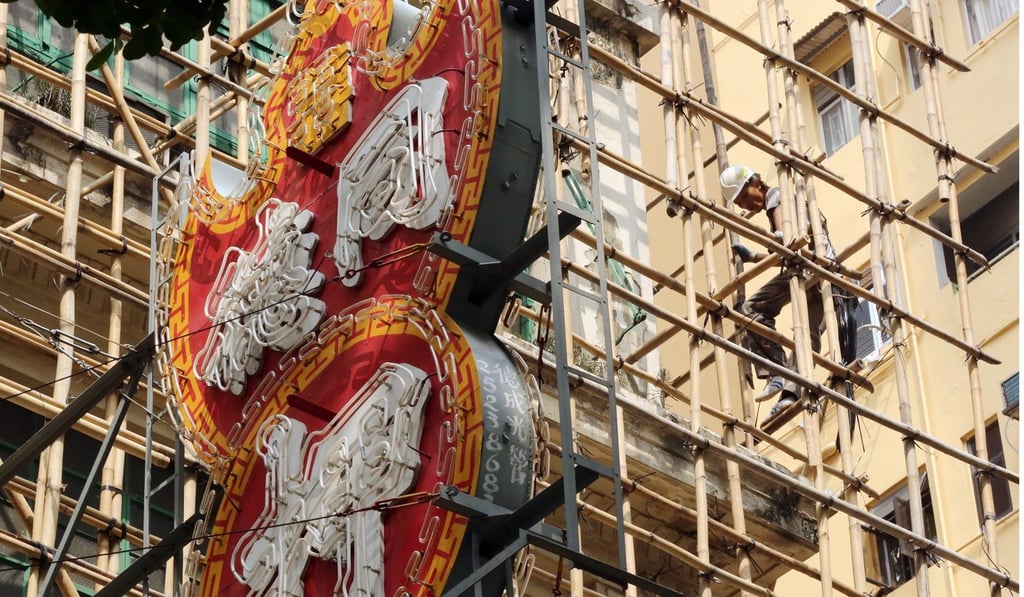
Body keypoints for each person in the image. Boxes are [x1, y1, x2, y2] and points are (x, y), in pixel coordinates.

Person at [719, 164, 837, 418]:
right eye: (739, 202)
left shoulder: (776, 196)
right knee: (808, 335)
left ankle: (776, 371)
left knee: (751, 309)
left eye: (743, 197)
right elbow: (786, 245)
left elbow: (785, 237)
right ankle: (790, 395)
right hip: (824, 271)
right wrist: (755, 257)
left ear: (756, 183)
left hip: (809, 268)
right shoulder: (786, 199)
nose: (744, 206)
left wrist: (778, 236)